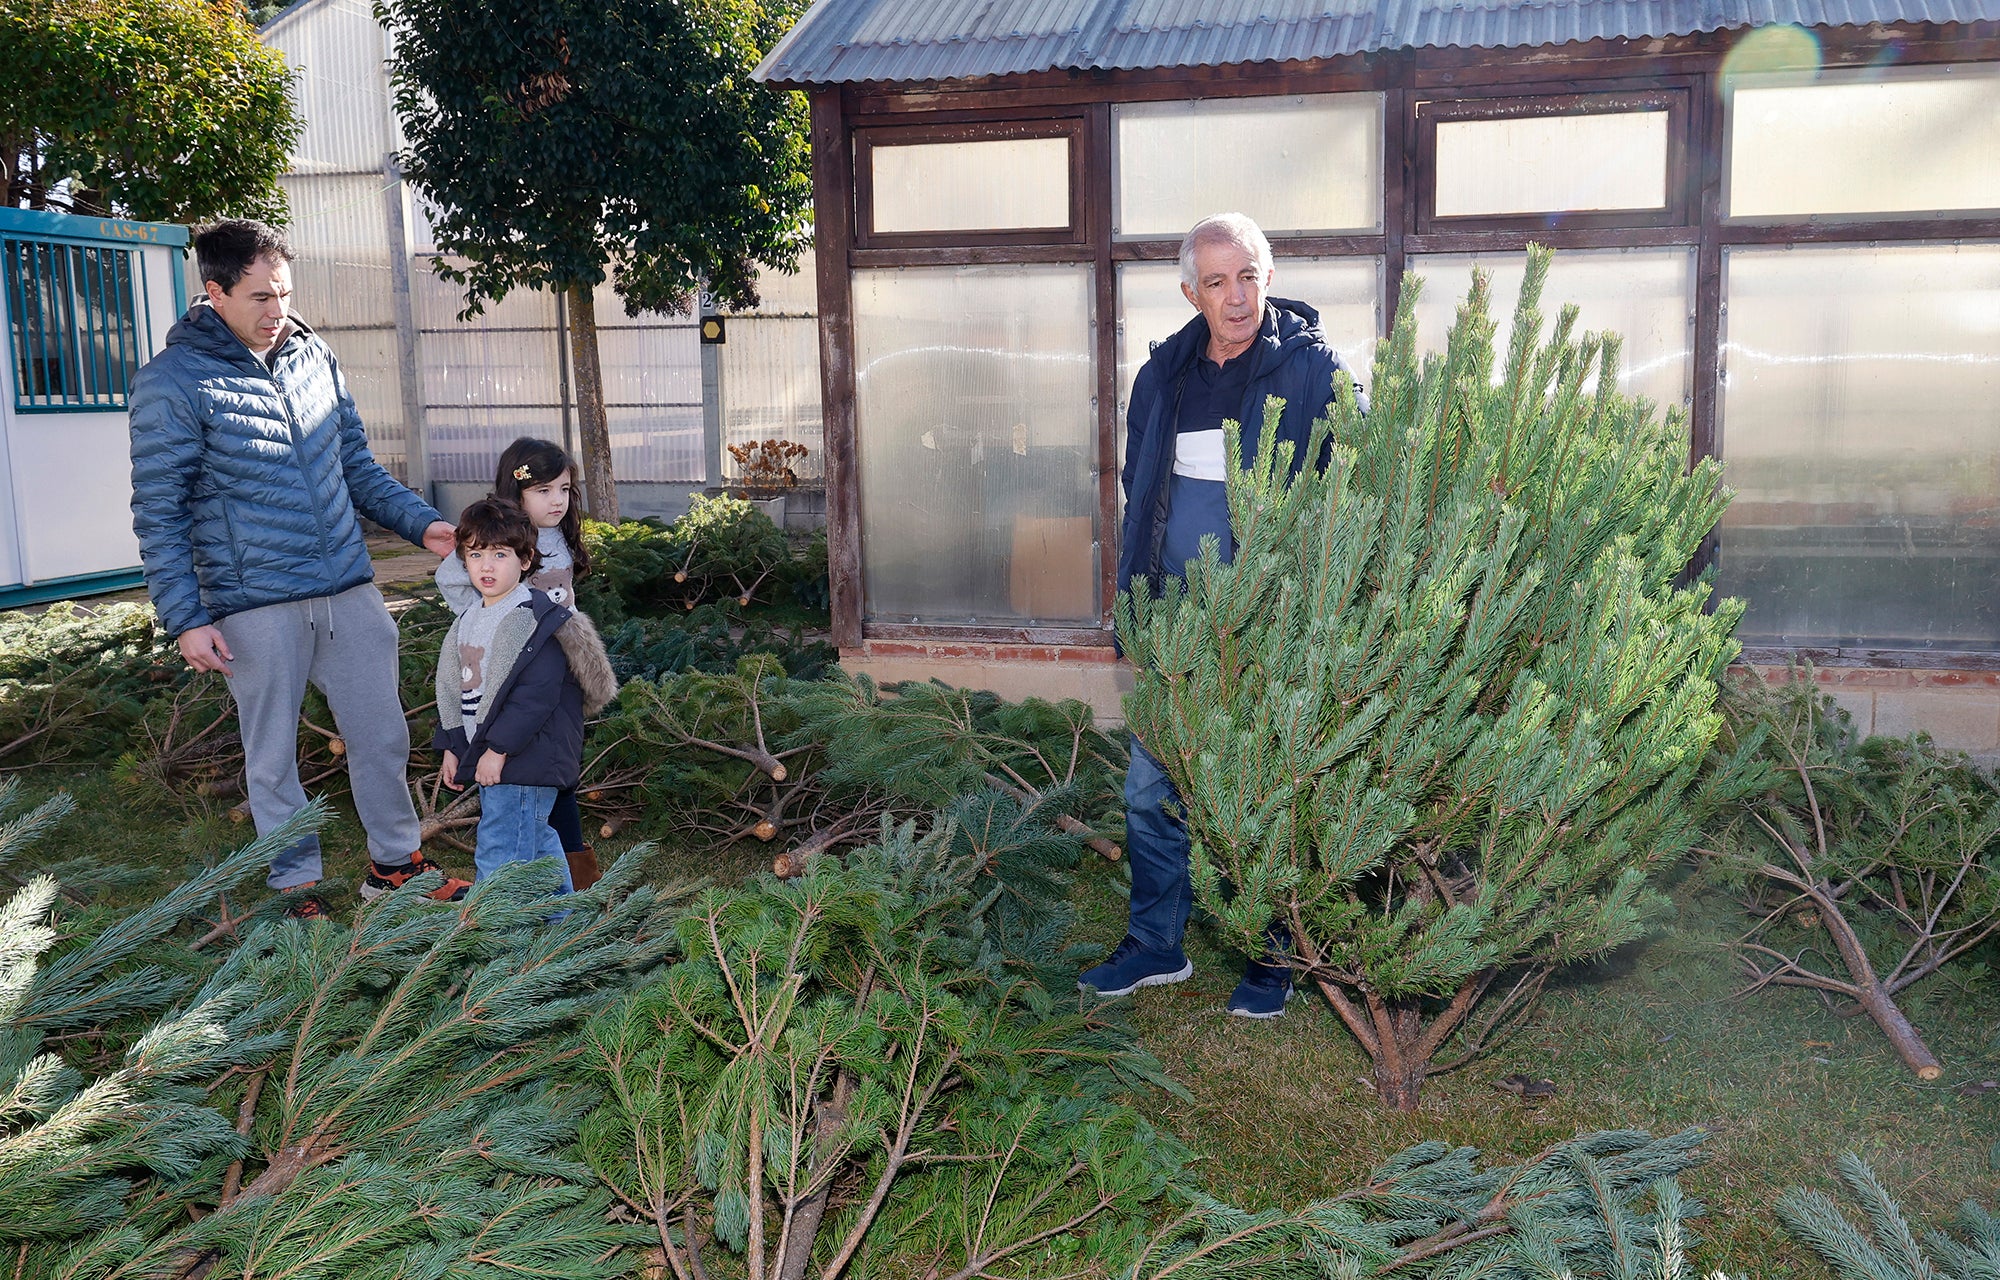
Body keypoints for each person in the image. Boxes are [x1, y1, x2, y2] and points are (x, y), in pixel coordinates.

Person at [129, 218, 470, 915]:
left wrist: (423, 523)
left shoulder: (314, 356)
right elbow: (159, 509)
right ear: (214, 292)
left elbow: (356, 469)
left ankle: (396, 865)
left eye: (283, 293)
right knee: (272, 756)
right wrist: (186, 618)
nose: (276, 312)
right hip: (253, 599)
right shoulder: (172, 382)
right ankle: (295, 886)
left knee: (382, 733)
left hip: (346, 583)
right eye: (259, 297)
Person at [1080, 212, 1366, 1018]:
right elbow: (1143, 500)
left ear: (1268, 277)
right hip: (1177, 628)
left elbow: (1364, 487)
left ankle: (1274, 953)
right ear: (1191, 292)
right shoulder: (1163, 378)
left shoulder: (1315, 372)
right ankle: (1156, 944)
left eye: (1247, 276)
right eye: (1216, 281)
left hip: (1276, 625)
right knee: (1148, 790)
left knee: (1268, 788)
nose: (1235, 297)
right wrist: (1138, 608)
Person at [434, 437, 600, 888]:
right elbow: (451, 576)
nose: (557, 501)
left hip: (546, 676)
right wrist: (486, 616)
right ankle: (563, 906)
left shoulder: (555, 540)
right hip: (513, 676)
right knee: (535, 808)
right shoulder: (501, 541)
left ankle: (522, 908)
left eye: (564, 490)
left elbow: (541, 675)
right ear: (517, 491)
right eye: (543, 490)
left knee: (530, 808)